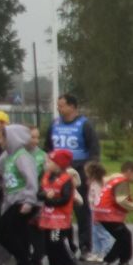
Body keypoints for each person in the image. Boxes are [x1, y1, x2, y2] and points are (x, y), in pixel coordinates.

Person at [47, 94, 100, 253]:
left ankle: (85, 245)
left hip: (78, 172)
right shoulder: (54, 124)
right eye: (58, 105)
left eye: (62, 105)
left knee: (81, 210)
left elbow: (94, 150)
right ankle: (65, 244)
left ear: (72, 107)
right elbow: (47, 147)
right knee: (59, 209)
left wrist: (91, 173)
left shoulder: (84, 125)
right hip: (57, 173)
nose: (59, 108)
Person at [0, 125, 43, 265]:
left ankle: (26, 262)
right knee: (19, 234)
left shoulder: (23, 156)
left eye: (3, 137)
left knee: (0, 231)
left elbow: (31, 179)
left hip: (23, 201)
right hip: (12, 200)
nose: (0, 140)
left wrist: (29, 200)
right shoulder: (8, 156)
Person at [36, 150, 83, 265]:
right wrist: (45, 196)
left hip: (60, 219)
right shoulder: (46, 176)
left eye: (49, 161)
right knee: (49, 245)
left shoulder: (66, 179)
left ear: (58, 164)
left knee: (56, 243)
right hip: (47, 218)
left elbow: (65, 198)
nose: (46, 164)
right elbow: (39, 193)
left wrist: (50, 200)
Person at [88, 161, 133, 265]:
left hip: (101, 212)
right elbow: (120, 200)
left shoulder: (113, 179)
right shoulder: (122, 181)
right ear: (129, 171)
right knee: (123, 237)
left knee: (124, 236)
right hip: (109, 214)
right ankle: (107, 263)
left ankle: (123, 263)